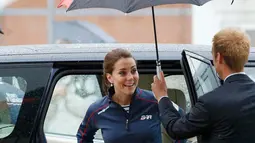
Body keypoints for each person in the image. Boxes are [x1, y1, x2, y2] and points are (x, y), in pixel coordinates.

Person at [151, 28, 255, 143]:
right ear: (245, 58)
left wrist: (162, 96)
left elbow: (176, 130)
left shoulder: (210, 101)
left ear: (219, 57)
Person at [76, 48, 185, 143]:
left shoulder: (155, 100)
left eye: (133, 71)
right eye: (122, 73)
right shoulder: (97, 110)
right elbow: (83, 136)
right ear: (110, 78)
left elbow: (182, 123)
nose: (130, 77)